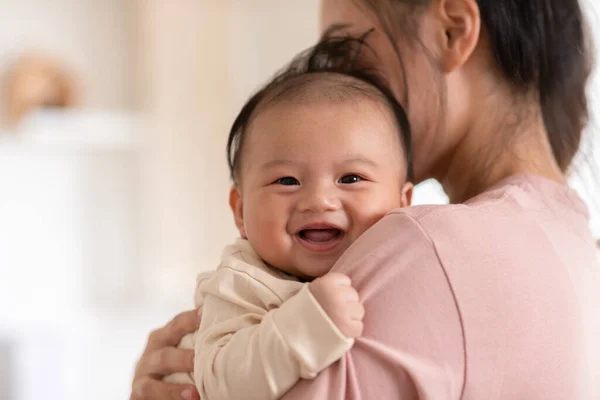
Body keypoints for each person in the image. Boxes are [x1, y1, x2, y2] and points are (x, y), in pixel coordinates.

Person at [130, 0, 600, 399]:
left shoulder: (426, 246)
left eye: (349, 54)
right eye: (287, 181)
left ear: (452, 29)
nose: (338, 86)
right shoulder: (578, 246)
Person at [162, 38, 413, 400]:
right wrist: (306, 327)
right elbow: (220, 385)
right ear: (241, 210)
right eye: (287, 181)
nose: (319, 200)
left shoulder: (410, 263)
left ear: (404, 202)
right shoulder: (241, 283)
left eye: (351, 179)